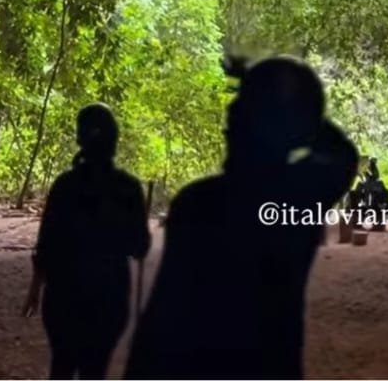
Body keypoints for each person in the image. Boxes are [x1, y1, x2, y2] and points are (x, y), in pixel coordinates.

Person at [124, 56, 358, 380]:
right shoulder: (299, 199)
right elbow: (341, 152)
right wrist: (276, 96)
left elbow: (161, 320)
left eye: (245, 105)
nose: (232, 110)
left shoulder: (198, 203)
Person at [24, 103, 151, 380]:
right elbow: (140, 247)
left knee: (62, 365)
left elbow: (46, 245)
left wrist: (34, 290)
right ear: (114, 140)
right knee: (95, 370)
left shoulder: (65, 185)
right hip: (109, 298)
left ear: (79, 139)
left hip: (63, 297)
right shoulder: (128, 188)